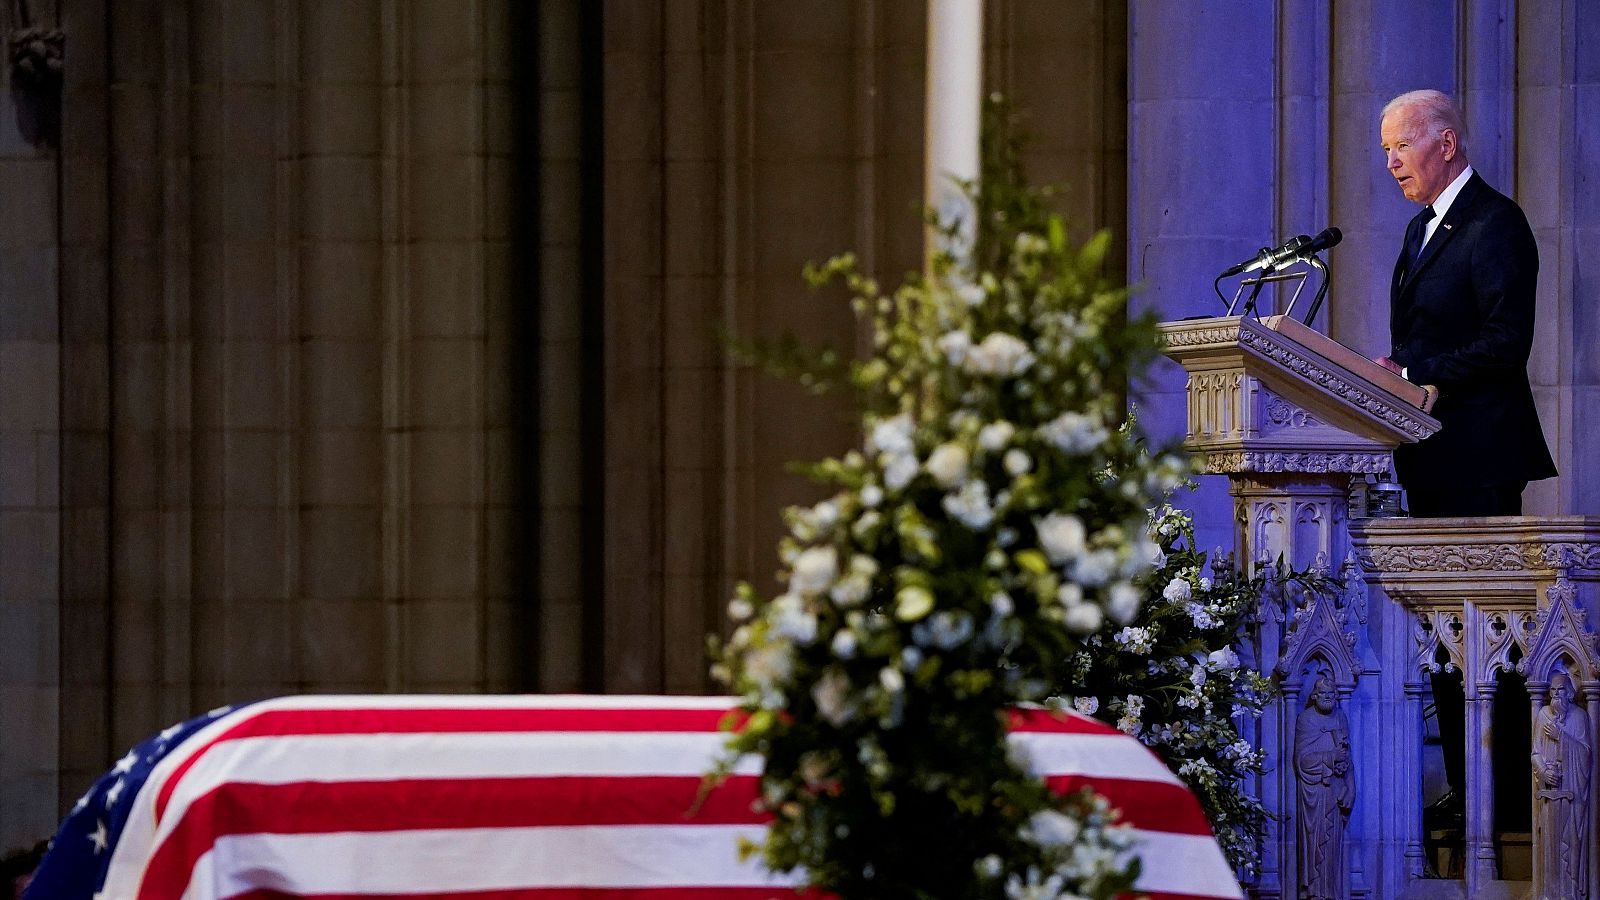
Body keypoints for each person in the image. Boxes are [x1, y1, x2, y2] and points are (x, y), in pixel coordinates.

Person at [1374, 89, 1556, 517]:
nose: (1391, 163)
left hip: (1479, 458)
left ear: (1447, 144)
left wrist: (1408, 374)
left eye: (1402, 145)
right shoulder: (1419, 228)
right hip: (1426, 451)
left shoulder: (1495, 221)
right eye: (1386, 149)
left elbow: (1505, 342)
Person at [1531, 672, 1590, 896]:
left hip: (1573, 795)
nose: (1557, 695)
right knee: (1548, 844)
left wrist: (1561, 737)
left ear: (1570, 693)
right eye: (1553, 691)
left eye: (1561, 690)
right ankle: (1548, 893)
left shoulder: (1580, 717)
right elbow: (1535, 753)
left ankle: (1572, 893)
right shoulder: (1543, 715)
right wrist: (1544, 771)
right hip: (1549, 794)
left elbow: (1586, 754)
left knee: (1571, 843)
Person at [1295, 674, 1354, 900]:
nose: (1328, 698)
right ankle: (1313, 893)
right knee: (1315, 845)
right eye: (1324, 694)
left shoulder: (1341, 717)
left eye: (1332, 694)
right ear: (1314, 696)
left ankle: (1332, 893)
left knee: (1333, 848)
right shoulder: (1306, 720)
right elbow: (1301, 760)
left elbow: (1348, 756)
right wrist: (1330, 757)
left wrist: (1351, 787)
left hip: (1335, 790)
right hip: (1314, 791)